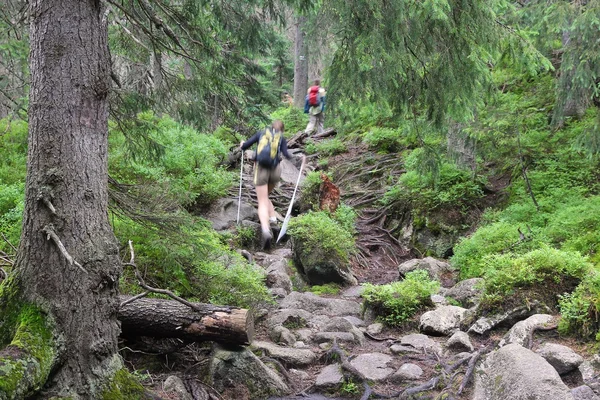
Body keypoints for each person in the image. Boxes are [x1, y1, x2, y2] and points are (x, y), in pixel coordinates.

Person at [240, 120, 301, 249]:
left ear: (271, 127)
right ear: (282, 130)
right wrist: (303, 158)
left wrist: (242, 144)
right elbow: (287, 155)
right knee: (265, 196)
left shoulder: (261, 134)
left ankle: (266, 230)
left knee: (262, 200)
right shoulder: (281, 138)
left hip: (261, 168)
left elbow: (245, 146)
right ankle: (273, 219)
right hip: (276, 170)